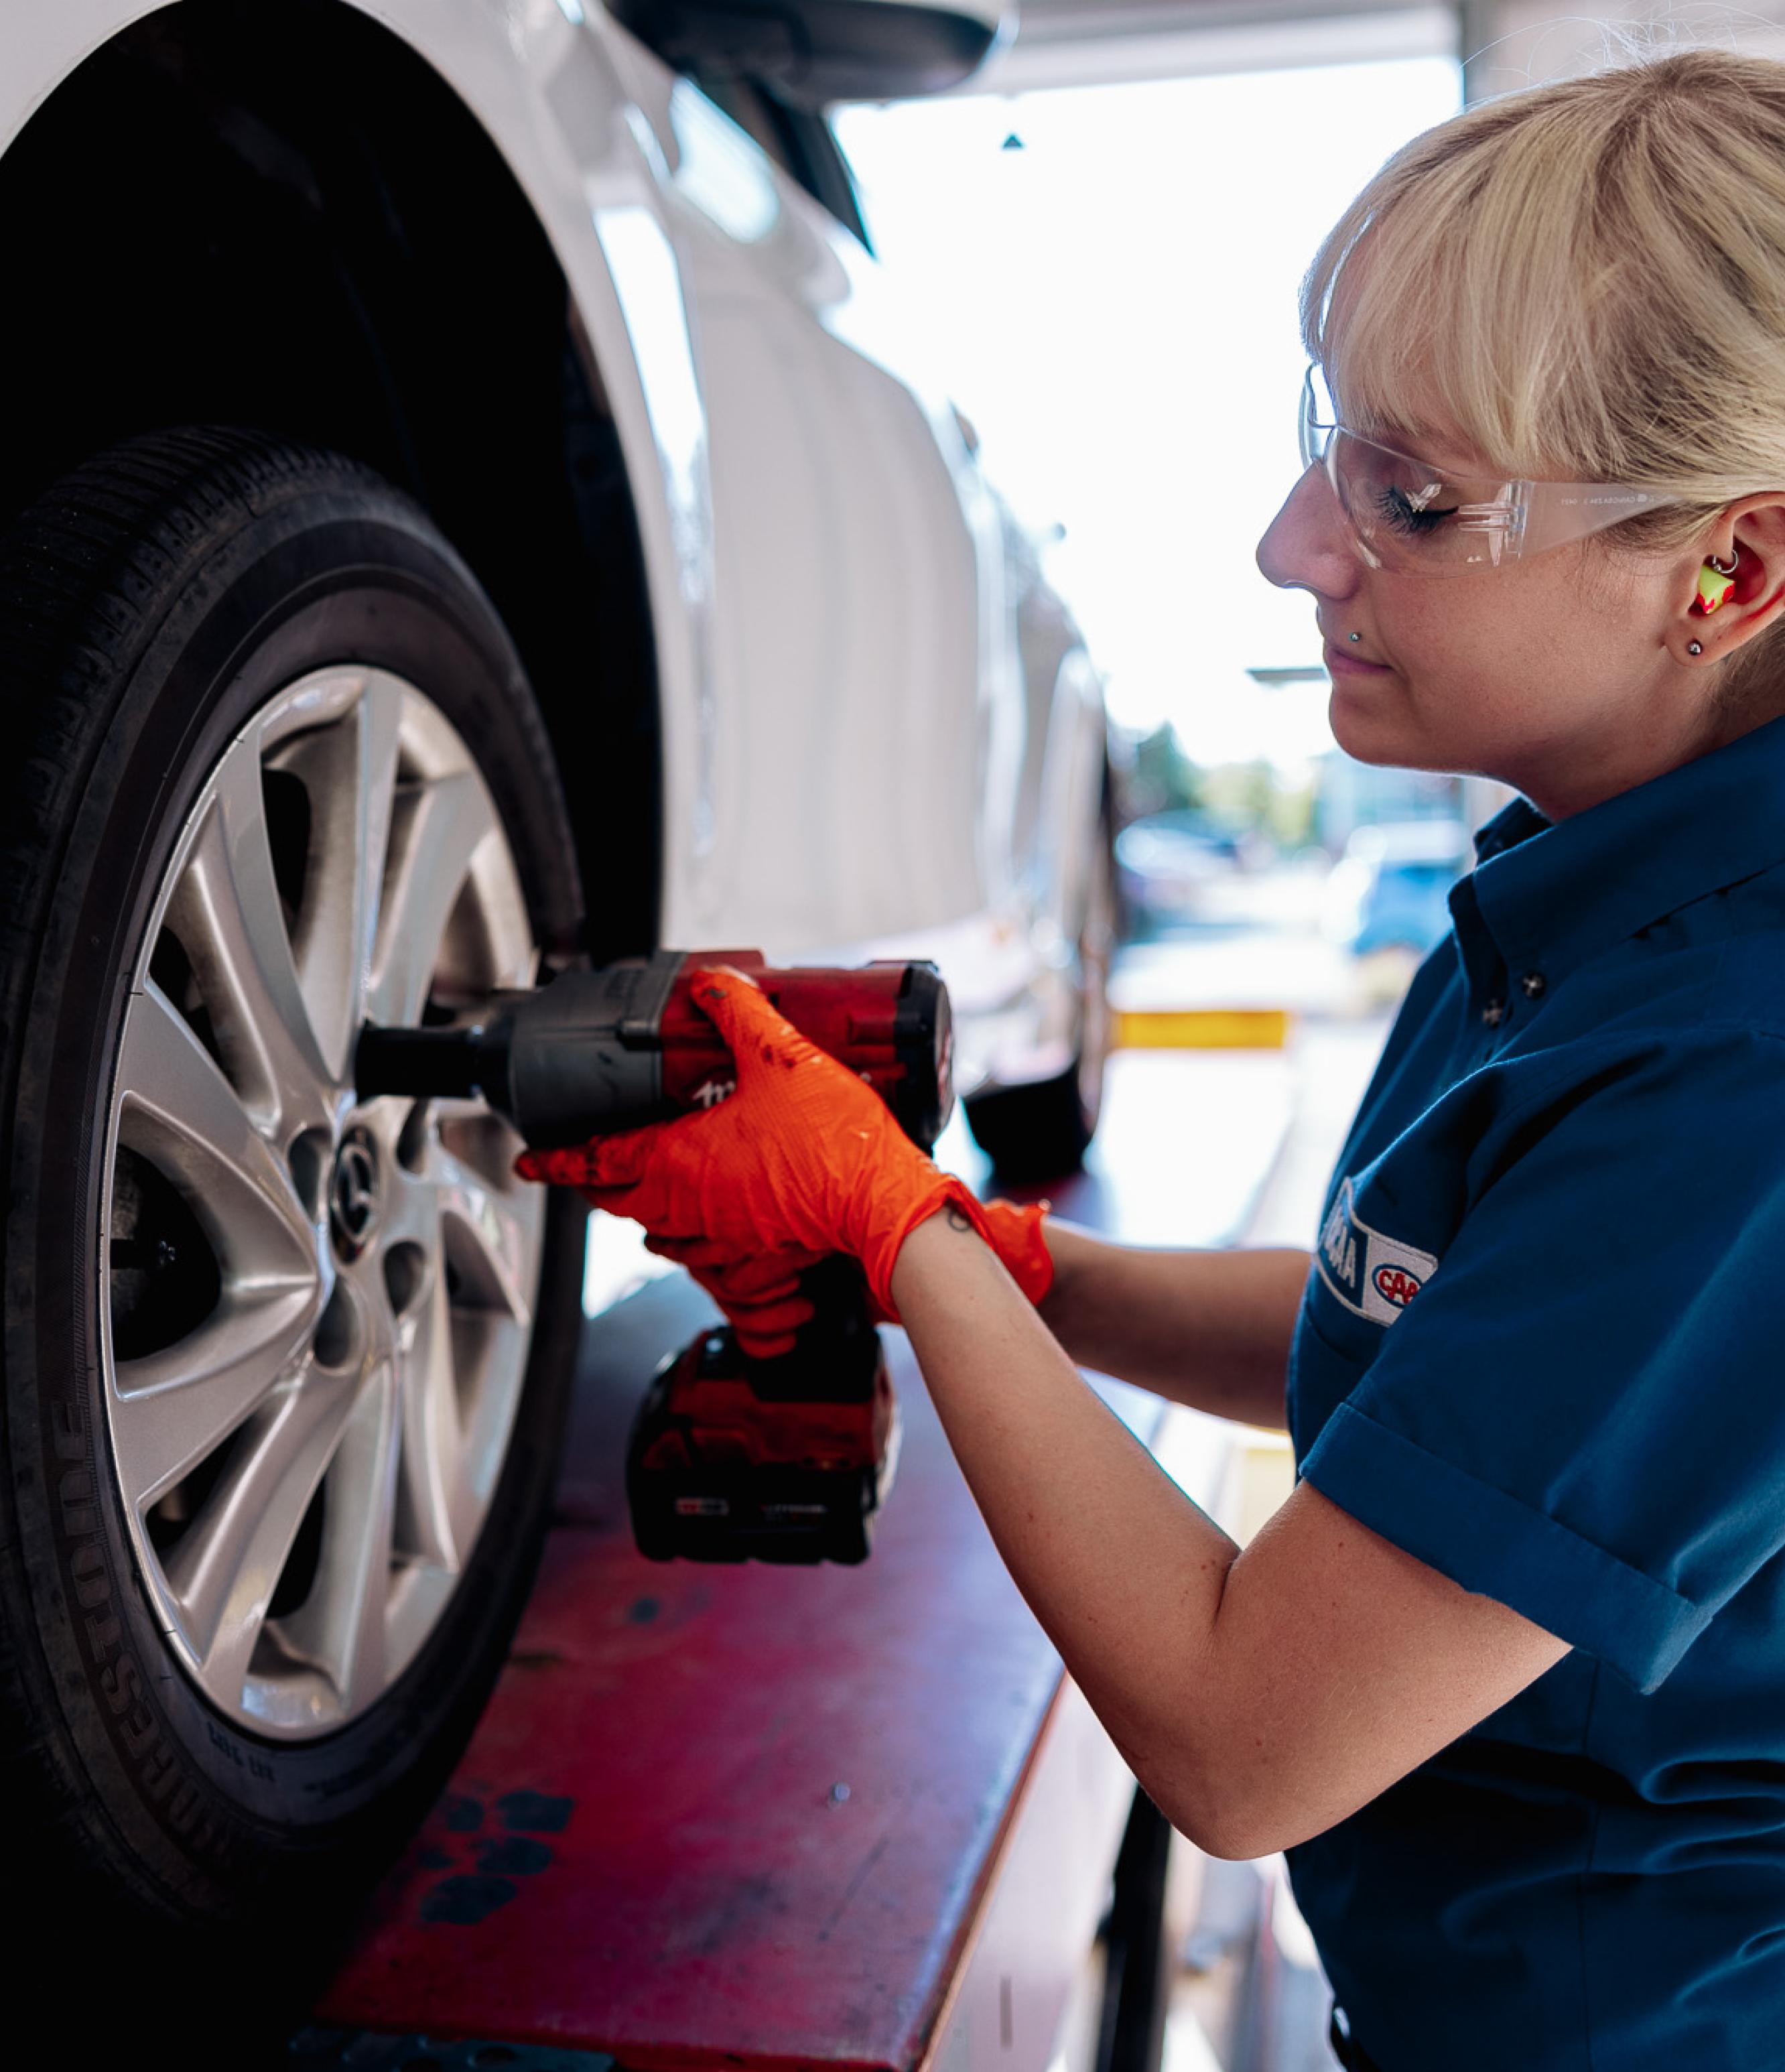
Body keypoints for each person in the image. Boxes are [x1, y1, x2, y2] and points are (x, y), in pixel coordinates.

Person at [519, 48, 1785, 2071]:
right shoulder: (1599, 890)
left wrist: (890, 1230)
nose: (1294, 545)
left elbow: (1243, 1736)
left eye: (1415, 496)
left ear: (1724, 572)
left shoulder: (1744, 1077)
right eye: (1328, 447)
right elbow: (1449, 1353)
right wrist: (1017, 1265)